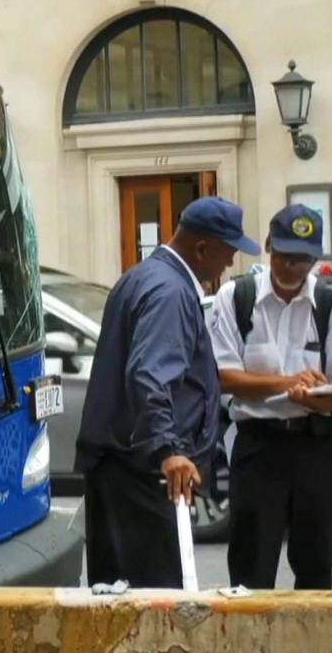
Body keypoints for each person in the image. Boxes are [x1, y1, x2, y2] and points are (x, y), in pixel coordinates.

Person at [76, 196, 257, 588]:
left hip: (122, 467)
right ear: (203, 248)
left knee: (118, 598)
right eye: (227, 253)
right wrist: (169, 450)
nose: (229, 264)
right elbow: (149, 375)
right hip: (142, 473)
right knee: (154, 605)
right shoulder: (170, 292)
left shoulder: (144, 277)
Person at [209, 204, 332, 590]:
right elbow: (222, 376)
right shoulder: (236, 298)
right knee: (251, 570)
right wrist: (286, 384)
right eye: (283, 256)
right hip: (258, 447)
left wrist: (321, 399)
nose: (290, 268)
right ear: (267, 246)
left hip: (315, 444)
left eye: (300, 260)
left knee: (316, 568)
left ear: (315, 259)